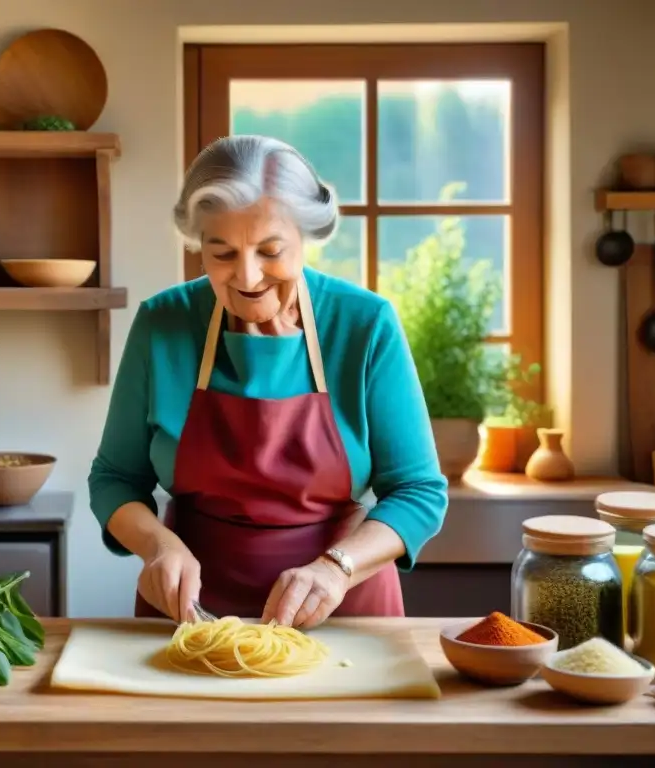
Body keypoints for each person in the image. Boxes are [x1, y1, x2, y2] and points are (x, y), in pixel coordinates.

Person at [88, 135, 448, 628]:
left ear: (306, 238)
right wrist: (157, 546)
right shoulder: (162, 324)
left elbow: (418, 490)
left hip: (342, 609)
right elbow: (114, 479)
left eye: (270, 250)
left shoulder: (364, 324)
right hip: (193, 613)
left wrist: (336, 568)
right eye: (222, 254)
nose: (248, 275)